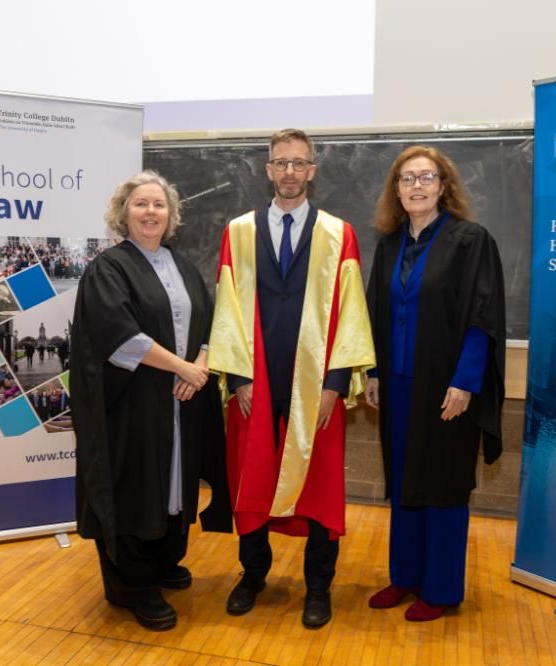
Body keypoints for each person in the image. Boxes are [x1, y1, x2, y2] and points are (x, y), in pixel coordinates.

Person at [207, 129, 375, 628]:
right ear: (267, 169)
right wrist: (237, 378)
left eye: (299, 164)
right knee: (250, 473)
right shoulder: (237, 231)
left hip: (315, 380)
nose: (289, 172)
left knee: (320, 482)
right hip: (253, 378)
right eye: (280, 163)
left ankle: (318, 586)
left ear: (312, 171)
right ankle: (253, 573)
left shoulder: (338, 233)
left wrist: (336, 383)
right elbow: (227, 309)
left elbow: (350, 312)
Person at [69, 170, 232, 631]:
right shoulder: (109, 268)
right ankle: (133, 584)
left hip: (182, 399)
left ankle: (163, 561)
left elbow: (208, 320)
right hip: (134, 403)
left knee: (174, 481)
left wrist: (197, 364)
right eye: (140, 204)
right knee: (136, 484)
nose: (150, 212)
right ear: (123, 213)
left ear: (171, 214)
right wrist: (182, 368)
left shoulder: (181, 266)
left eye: (159, 205)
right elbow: (119, 336)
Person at [364, 145, 506, 621]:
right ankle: (404, 576)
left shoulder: (471, 241)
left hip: (447, 387)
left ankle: (441, 589)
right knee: (404, 481)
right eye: (406, 179)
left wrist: (466, 381)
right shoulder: (389, 245)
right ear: (396, 190)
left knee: (442, 484)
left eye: (426, 177)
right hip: (400, 385)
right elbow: (372, 314)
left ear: (443, 186)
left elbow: (481, 317)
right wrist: (375, 373)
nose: (416, 186)